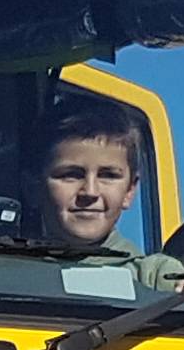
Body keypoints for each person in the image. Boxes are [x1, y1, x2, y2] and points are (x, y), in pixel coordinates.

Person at [32, 93, 152, 254]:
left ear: (130, 191)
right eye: (71, 175)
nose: (90, 192)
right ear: (33, 187)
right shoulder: (7, 270)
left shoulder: (155, 275)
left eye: (108, 176)